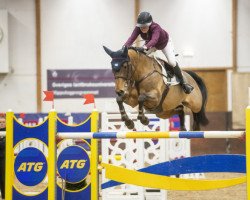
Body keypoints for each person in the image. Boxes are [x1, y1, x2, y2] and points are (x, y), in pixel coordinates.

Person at [124, 11, 193, 94]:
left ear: (150, 24)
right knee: (141, 57)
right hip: (152, 45)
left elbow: (154, 40)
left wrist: (144, 47)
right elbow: (131, 38)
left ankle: (184, 83)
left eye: (145, 26)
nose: (142, 28)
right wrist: (124, 47)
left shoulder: (156, 27)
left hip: (165, 43)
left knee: (172, 62)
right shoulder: (138, 28)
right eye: (141, 26)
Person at [0, 114, 5, 199]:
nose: (1, 123)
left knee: (4, 178)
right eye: (0, 122)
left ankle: (4, 195)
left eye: (3, 122)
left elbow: (3, 145)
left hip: (4, 158)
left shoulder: (10, 131)